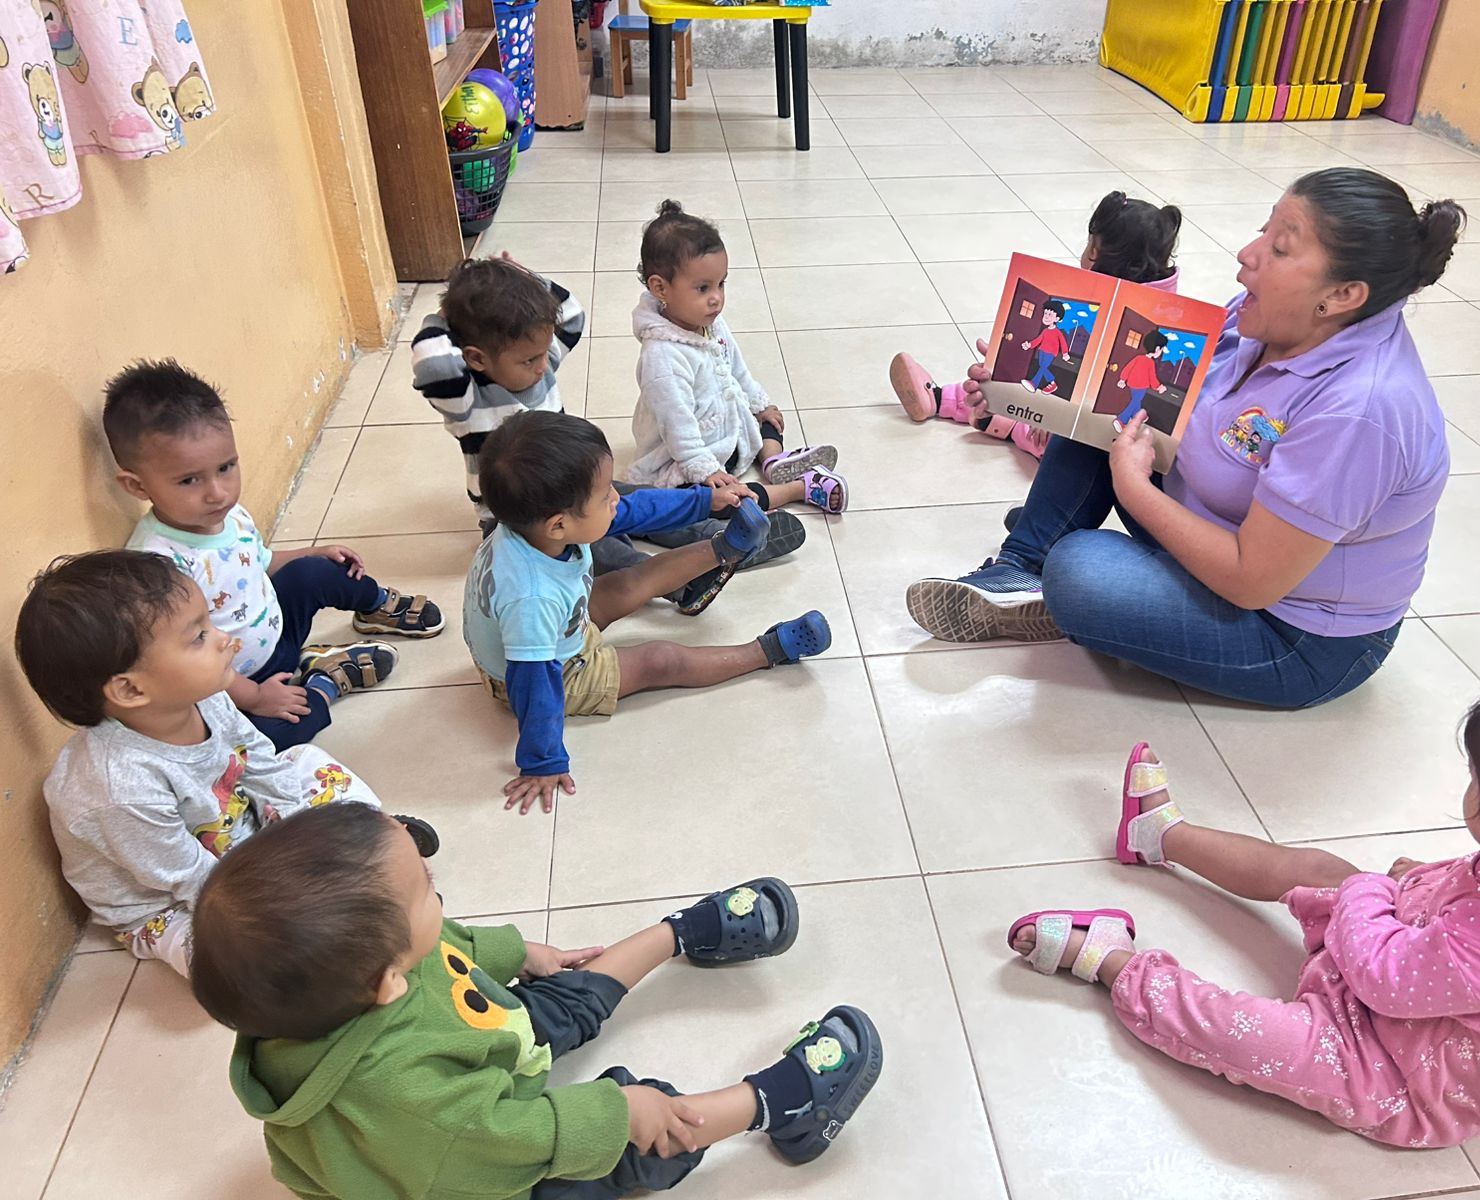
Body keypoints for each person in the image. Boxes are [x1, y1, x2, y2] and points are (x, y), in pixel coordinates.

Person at [907, 168, 1465, 709]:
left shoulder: (1360, 411)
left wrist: (1133, 490)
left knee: (1079, 569)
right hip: (1212, 522)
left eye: (1279, 248)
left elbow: (1252, 582)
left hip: (1291, 634)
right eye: (1264, 230)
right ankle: (1021, 567)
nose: (1247, 253)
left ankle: (1058, 572)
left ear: (1343, 294)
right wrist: (1020, 386)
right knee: (1101, 407)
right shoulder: (1262, 319)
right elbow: (1139, 400)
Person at [1007, 668, 1480, 1148]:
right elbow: (1467, 898)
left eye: (1476, 782)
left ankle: (1112, 962)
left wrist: (1368, 888)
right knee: (1320, 871)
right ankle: (1160, 835)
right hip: (1416, 967)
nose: (1468, 787)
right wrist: (1419, 883)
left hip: (1394, 1071)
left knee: (1250, 1035)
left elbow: (1380, 977)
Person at [194, 802, 884, 1198]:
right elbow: (513, 1139)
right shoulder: (410, 1103)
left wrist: (516, 953)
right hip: (480, 1173)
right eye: (427, 888)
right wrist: (617, 1112)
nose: (433, 879)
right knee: (640, 1128)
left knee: (559, 999)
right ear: (386, 982)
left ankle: (678, 934)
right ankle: (783, 1108)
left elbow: (446, 948)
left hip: (466, 1054)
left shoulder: (346, 979)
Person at [12, 550, 403, 976]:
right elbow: (188, 878)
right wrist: (298, 893)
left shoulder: (205, 695)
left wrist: (306, 831)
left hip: (240, 830)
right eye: (198, 636)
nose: (223, 639)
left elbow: (260, 760)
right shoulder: (117, 789)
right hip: (173, 901)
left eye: (209, 623)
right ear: (130, 690)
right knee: (235, 959)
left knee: (306, 761)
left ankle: (366, 842)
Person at [466, 410, 834, 815]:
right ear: (558, 526)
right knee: (660, 660)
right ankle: (769, 650)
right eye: (604, 495)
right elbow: (533, 683)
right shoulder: (532, 599)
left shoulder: (534, 526)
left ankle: (725, 549)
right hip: (546, 670)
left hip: (553, 628)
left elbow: (638, 509)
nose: (615, 497)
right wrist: (542, 761)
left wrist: (705, 501)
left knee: (627, 582)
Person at [412, 254, 804, 613]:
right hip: (525, 521)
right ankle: (682, 583)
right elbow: (433, 363)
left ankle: (718, 536)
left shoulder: (536, 360)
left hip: (579, 484)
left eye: (543, 353)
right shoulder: (465, 401)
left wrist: (524, 279)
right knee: (601, 547)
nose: (542, 366)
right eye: (529, 360)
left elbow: (570, 314)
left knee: (639, 501)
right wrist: (448, 314)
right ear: (476, 357)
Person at [109, 360, 443, 750]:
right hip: (231, 684)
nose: (217, 492)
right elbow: (183, 661)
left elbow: (259, 562)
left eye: (226, 467)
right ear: (137, 486)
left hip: (278, 632)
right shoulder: (157, 567)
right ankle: (324, 679)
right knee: (261, 745)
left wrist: (314, 553)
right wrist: (254, 697)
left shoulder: (228, 514)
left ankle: (375, 606)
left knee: (316, 570)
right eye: (189, 480)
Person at [889, 191, 1183, 461]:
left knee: (1045, 438)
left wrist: (1053, 419)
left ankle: (991, 419)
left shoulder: (1148, 324)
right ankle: (943, 399)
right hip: (1076, 421)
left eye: (1090, 244)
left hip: (1098, 450)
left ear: (1100, 253)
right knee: (1001, 387)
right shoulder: (1156, 312)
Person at [628, 200, 849, 514]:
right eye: (702, 288)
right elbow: (677, 426)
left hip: (728, 433)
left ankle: (772, 460)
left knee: (768, 420)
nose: (716, 298)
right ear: (660, 288)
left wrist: (759, 405)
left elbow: (737, 369)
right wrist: (704, 469)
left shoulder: (710, 323)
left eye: (721, 284)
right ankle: (799, 488)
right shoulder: (662, 358)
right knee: (712, 502)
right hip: (683, 458)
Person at [1113, 330, 1169, 431]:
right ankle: (1121, 420)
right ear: (1157, 349)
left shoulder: (1138, 358)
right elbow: (1152, 378)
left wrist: (1123, 379)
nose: (1161, 352)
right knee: (1135, 401)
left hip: (1132, 385)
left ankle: (1138, 415)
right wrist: (1159, 387)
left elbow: (1127, 368)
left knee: (1136, 400)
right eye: (1161, 350)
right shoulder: (1150, 362)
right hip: (1141, 387)